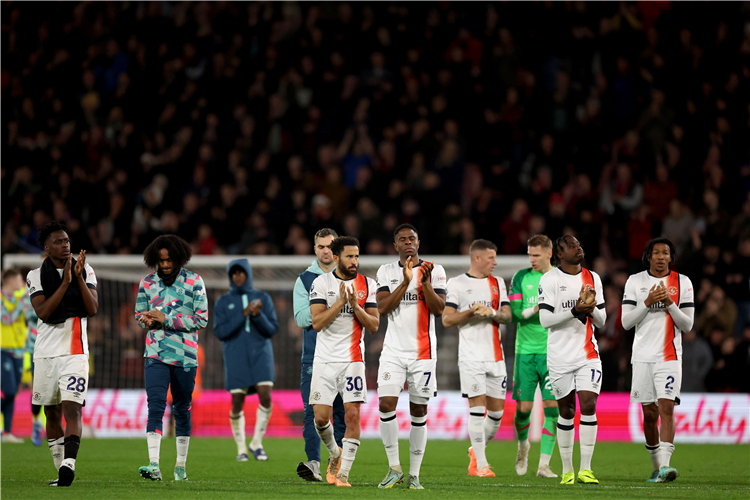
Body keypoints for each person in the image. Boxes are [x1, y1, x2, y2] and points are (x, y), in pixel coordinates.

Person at [27, 221, 99, 486]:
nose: (65, 244)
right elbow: (43, 313)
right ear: (47, 248)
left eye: (67, 240)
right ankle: (60, 470)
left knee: (73, 409)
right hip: (46, 353)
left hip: (75, 352)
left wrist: (77, 277)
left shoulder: (86, 270)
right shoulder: (35, 275)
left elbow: (91, 309)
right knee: (52, 413)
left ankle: (69, 464)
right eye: (58, 241)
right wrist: (65, 281)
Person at [375, 224, 447, 490]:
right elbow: (382, 308)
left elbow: (439, 310)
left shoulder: (434, 270)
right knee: (386, 405)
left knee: (419, 411)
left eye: (412, 239)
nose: (408, 243)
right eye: (402, 240)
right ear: (395, 246)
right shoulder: (385, 271)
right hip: (393, 351)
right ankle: (394, 468)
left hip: (423, 354)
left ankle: (414, 475)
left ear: (418, 242)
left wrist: (423, 283)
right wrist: (406, 281)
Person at [621, 237, 694, 483]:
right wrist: (648, 303)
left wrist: (670, 304)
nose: (661, 256)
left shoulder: (682, 282)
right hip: (642, 357)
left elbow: (688, 324)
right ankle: (656, 467)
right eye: (656, 253)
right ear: (649, 257)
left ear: (671, 257)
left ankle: (665, 467)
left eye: (665, 253)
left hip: (669, 357)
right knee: (649, 414)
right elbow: (625, 322)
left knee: (666, 408)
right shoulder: (635, 281)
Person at [135, 235, 208, 482]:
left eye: (169, 260)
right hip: (155, 353)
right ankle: (154, 464)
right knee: (155, 406)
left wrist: (166, 319)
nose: (165, 265)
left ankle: (180, 466)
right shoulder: (146, 283)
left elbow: (202, 319)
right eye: (161, 260)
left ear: (179, 258)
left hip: (185, 356)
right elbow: (139, 313)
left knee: (182, 410)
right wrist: (144, 319)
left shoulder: (194, 281)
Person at [308, 236, 379, 487]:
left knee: (352, 415)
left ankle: (344, 474)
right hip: (325, 359)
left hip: (353, 360)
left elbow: (374, 325)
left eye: (357, 256)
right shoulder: (321, 283)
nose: (355, 261)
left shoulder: (368, 284)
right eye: (350, 256)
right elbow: (317, 323)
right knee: (320, 418)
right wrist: (340, 302)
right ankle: (335, 454)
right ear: (336, 257)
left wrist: (355, 307)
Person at [538, 235, 606, 485]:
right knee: (566, 412)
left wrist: (591, 308)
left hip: (587, 353)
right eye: (572, 245)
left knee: (588, 405)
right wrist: (575, 310)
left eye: (579, 243)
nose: (579, 247)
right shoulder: (550, 279)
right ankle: (567, 469)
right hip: (559, 357)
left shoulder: (593, 277)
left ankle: (586, 469)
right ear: (559, 254)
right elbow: (545, 320)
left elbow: (603, 320)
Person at [442, 239, 511, 478]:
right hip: (471, 357)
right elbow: (447, 319)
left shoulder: (498, 283)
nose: (495, 262)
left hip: (496, 357)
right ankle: (481, 466)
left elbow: (507, 316)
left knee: (496, 415)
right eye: (491, 258)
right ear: (477, 258)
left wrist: (490, 312)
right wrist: (471, 311)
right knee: (477, 410)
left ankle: (475, 451)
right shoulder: (457, 283)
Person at [292, 228, 346, 481]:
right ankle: (314, 462)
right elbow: (303, 318)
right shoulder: (304, 279)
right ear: (315, 249)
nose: (326, 250)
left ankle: (339, 465)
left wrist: (321, 313)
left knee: (342, 412)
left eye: (330, 246)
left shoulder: (349, 276)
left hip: (346, 356)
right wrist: (334, 309)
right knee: (313, 412)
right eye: (321, 246)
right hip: (314, 356)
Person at [214, 259, 279, 461]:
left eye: (241, 273)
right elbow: (220, 332)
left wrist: (258, 316)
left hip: (261, 354)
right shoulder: (223, 301)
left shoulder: (263, 298)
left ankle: (257, 443)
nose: (237, 277)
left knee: (266, 395)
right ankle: (241, 448)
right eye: (233, 274)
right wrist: (243, 316)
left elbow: (272, 330)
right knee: (237, 402)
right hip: (236, 356)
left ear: (248, 274)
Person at [509, 234, 559, 478]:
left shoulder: (560, 279)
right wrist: (537, 308)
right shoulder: (521, 277)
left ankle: (544, 465)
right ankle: (523, 446)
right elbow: (515, 314)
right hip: (525, 353)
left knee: (553, 409)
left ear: (550, 254)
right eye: (530, 254)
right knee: (523, 410)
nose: (532, 260)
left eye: (536, 255)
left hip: (552, 353)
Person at [0, 269, 32, 443]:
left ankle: (7, 433)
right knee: (10, 390)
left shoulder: (21, 299)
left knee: (13, 393)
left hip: (20, 350)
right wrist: (21, 304)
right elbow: (6, 319)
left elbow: (29, 317)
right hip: (3, 350)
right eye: (20, 279)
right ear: (10, 280)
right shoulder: (1, 299)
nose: (22, 283)